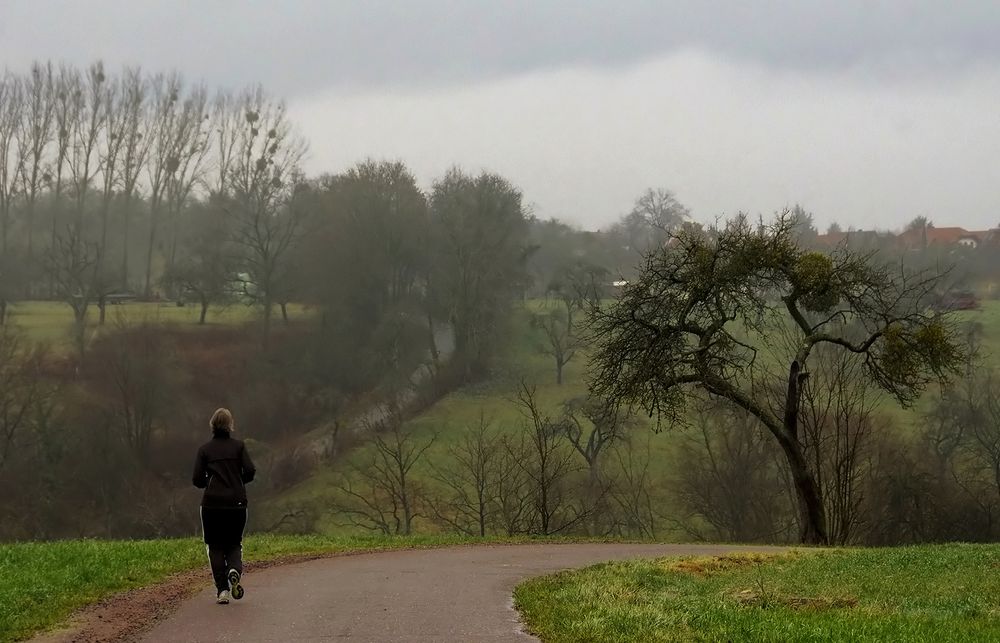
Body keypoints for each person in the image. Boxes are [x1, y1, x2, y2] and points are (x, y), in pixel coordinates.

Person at [192, 408, 256, 604]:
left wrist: (209, 484)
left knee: (215, 546)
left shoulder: (205, 450)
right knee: (234, 543)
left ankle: (222, 591)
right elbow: (250, 470)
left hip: (212, 505)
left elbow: (197, 479)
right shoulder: (239, 447)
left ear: (212, 425)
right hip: (236, 503)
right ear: (230, 425)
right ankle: (234, 570)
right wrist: (239, 482)